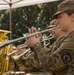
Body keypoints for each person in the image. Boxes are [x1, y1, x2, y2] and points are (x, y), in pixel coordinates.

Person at [25, 0, 74, 75]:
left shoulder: (71, 40)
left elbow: (50, 64)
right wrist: (35, 45)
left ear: (72, 17)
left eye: (60, 17)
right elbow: (42, 62)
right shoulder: (68, 38)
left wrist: (37, 44)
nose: (58, 21)